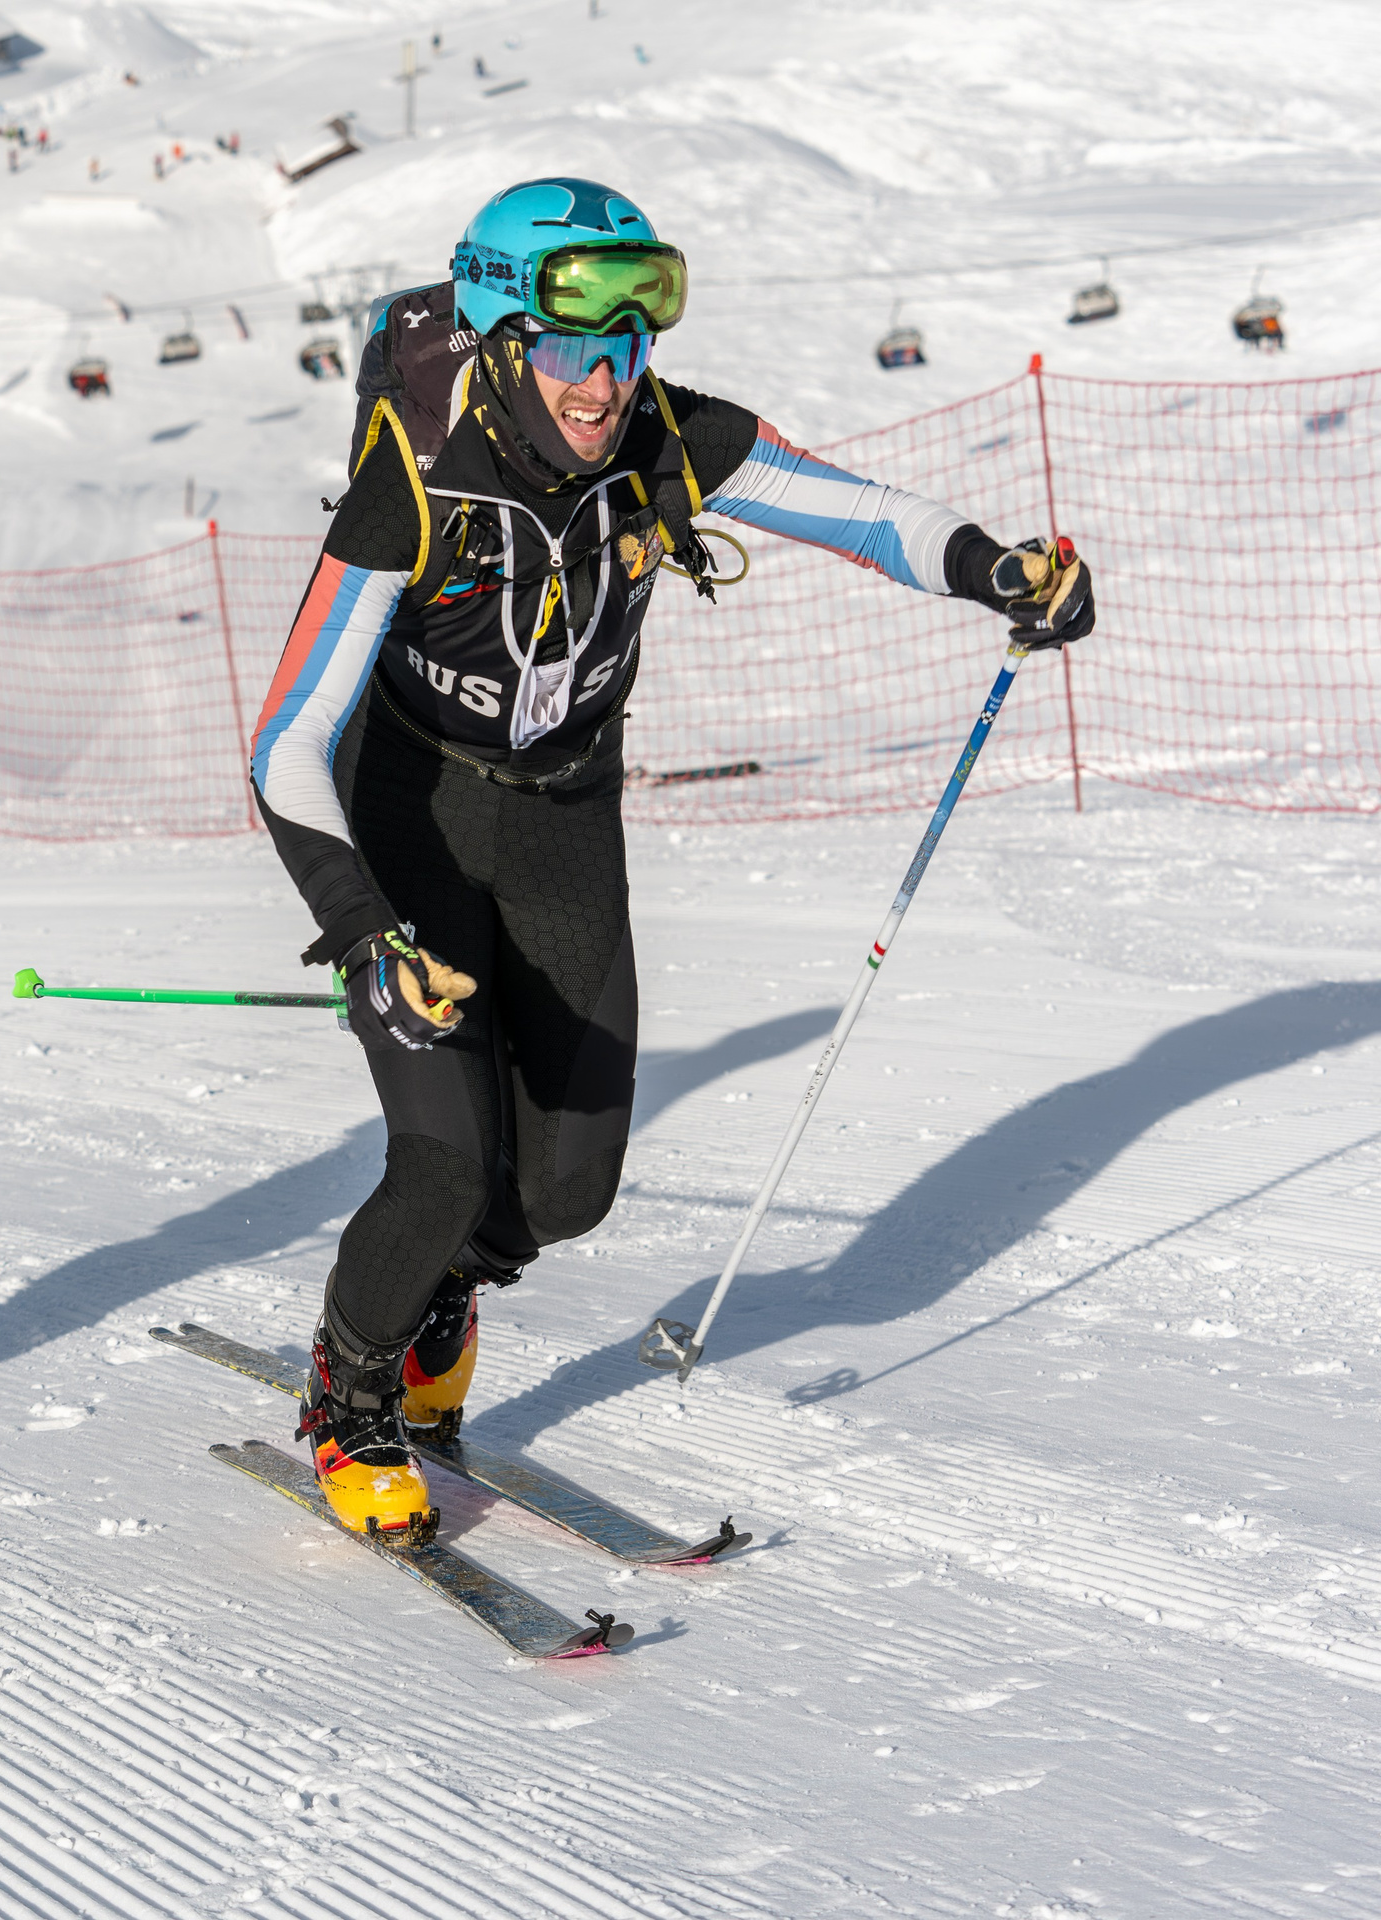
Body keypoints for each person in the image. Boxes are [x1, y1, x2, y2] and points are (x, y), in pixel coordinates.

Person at [248, 178, 1094, 1539]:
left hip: (566, 817)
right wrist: (362, 932)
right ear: (505, 340)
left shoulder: (670, 438)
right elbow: (285, 741)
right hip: (411, 817)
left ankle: (446, 1289)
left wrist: (1001, 570)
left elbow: (866, 513)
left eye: (630, 345)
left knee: (567, 1192)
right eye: (576, 347)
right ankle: (349, 1400)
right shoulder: (411, 486)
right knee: (446, 1158)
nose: (607, 380)